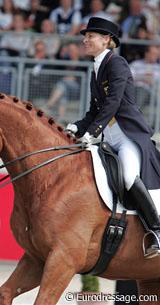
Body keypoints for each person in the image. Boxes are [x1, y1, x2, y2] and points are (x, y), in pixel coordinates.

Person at [66, 17, 160, 259]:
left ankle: (156, 230)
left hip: (128, 136)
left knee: (129, 176)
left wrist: (91, 132)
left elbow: (113, 103)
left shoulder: (116, 63)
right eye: (85, 36)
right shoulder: (95, 68)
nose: (85, 40)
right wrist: (76, 127)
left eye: (91, 36)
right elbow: (94, 111)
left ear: (107, 40)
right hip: (109, 136)